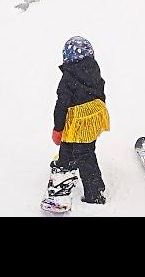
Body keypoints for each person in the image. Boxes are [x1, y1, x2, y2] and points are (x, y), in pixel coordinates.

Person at [48, 36, 110, 204]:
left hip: (79, 119)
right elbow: (100, 91)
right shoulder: (94, 70)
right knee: (84, 146)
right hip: (95, 115)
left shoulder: (67, 79)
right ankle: (66, 163)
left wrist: (57, 129)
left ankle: (94, 192)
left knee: (84, 154)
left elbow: (61, 105)